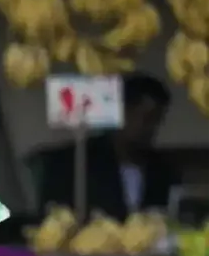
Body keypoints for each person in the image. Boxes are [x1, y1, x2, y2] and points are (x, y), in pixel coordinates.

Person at [32, 72, 176, 220]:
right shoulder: (71, 164)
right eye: (146, 117)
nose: (151, 127)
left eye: (157, 120)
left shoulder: (161, 170)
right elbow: (50, 218)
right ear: (121, 112)